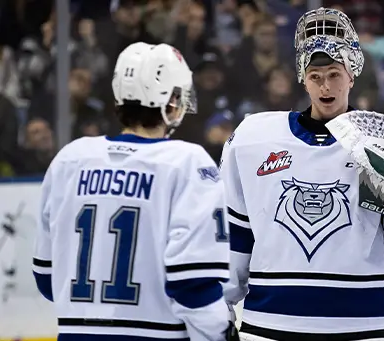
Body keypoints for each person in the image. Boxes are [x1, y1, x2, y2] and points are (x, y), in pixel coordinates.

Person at [220, 7, 384, 341]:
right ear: (303, 77)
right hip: (272, 327)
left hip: (365, 328)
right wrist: (220, 307)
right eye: (316, 77)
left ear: (352, 75)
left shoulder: (377, 139)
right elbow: (236, 234)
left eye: (334, 74)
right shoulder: (254, 139)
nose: (325, 86)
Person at [32, 42, 237, 341]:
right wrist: (221, 333)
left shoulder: (70, 159)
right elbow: (194, 285)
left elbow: (47, 280)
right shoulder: (185, 163)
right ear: (171, 102)